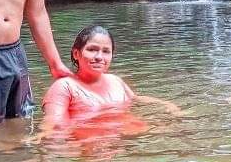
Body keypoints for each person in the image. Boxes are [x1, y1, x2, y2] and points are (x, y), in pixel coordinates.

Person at [41, 25, 182, 121]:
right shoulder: (64, 87)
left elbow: (136, 99)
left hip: (125, 140)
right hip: (89, 145)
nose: (99, 57)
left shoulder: (115, 81)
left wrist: (167, 105)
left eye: (106, 51)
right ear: (76, 53)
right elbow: (55, 127)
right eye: (92, 49)